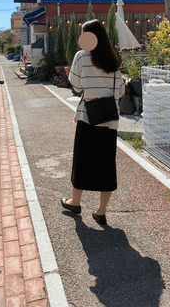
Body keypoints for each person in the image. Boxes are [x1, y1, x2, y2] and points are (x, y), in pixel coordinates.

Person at [61, 19, 125, 225]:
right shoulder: (113, 61)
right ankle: (101, 210)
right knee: (106, 164)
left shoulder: (81, 56)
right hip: (109, 121)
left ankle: (75, 202)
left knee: (82, 161)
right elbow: (121, 90)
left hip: (88, 117)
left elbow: (76, 85)